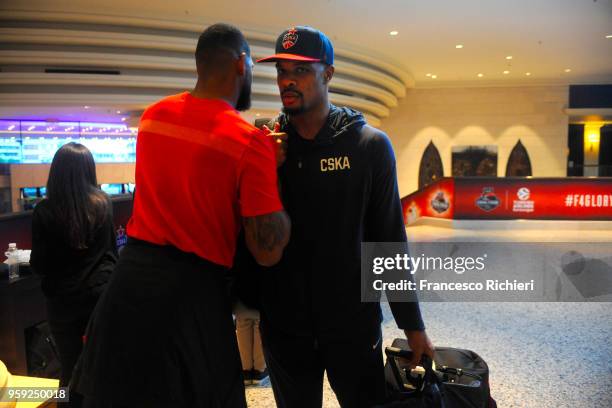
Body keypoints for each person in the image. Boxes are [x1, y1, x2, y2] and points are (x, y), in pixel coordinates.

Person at [71, 23, 290, 408]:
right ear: (241, 64)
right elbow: (267, 251)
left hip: (127, 288)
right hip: (191, 300)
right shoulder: (249, 142)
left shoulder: (153, 118)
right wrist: (267, 172)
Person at [256, 26, 435, 407]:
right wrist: (263, 171)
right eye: (281, 71)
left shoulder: (368, 145)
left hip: (352, 325)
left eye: (301, 70)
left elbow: (387, 238)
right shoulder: (265, 146)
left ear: (328, 73)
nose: (287, 80)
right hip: (286, 328)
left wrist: (412, 323)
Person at [30, 142, 118, 397]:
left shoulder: (44, 211)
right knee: (101, 365)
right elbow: (111, 253)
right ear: (89, 170)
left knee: (69, 368)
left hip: (63, 303)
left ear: (56, 172)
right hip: (100, 296)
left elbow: (40, 265)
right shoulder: (103, 204)